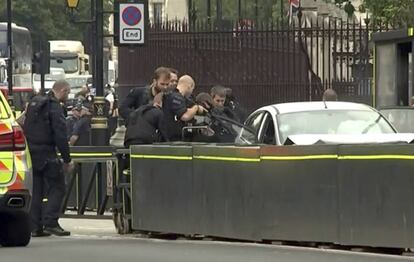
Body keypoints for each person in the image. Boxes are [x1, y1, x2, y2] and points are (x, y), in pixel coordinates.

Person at [23, 79, 74, 237]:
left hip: (32, 152)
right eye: (68, 92)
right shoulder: (54, 106)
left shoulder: (35, 103)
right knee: (58, 186)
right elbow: (60, 134)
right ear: (63, 91)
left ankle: (35, 226)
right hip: (47, 153)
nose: (68, 95)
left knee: (37, 189)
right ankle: (51, 222)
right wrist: (67, 159)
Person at [160, 75, 207, 141]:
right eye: (192, 89)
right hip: (172, 139)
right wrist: (196, 108)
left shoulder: (173, 96)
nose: (191, 92)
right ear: (189, 86)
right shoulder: (176, 97)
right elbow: (185, 116)